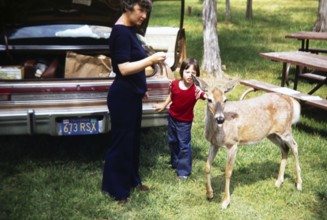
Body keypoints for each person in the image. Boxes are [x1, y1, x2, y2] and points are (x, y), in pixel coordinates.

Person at [102, 0, 167, 203]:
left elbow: (133, 68)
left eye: (146, 11)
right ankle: (116, 190)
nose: (144, 16)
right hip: (122, 97)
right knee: (121, 143)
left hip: (132, 94)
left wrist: (141, 88)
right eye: (140, 10)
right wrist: (151, 60)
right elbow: (123, 68)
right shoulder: (120, 32)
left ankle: (132, 180)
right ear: (127, 7)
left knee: (132, 142)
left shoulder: (130, 30)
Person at [155, 58, 206, 180]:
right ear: (182, 71)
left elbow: (207, 96)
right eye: (187, 72)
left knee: (184, 145)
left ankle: (183, 171)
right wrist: (163, 105)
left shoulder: (196, 90)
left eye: (193, 73)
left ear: (197, 76)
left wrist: (209, 95)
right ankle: (175, 162)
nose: (190, 75)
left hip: (185, 122)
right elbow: (172, 95)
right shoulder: (174, 84)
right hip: (172, 118)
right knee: (172, 141)